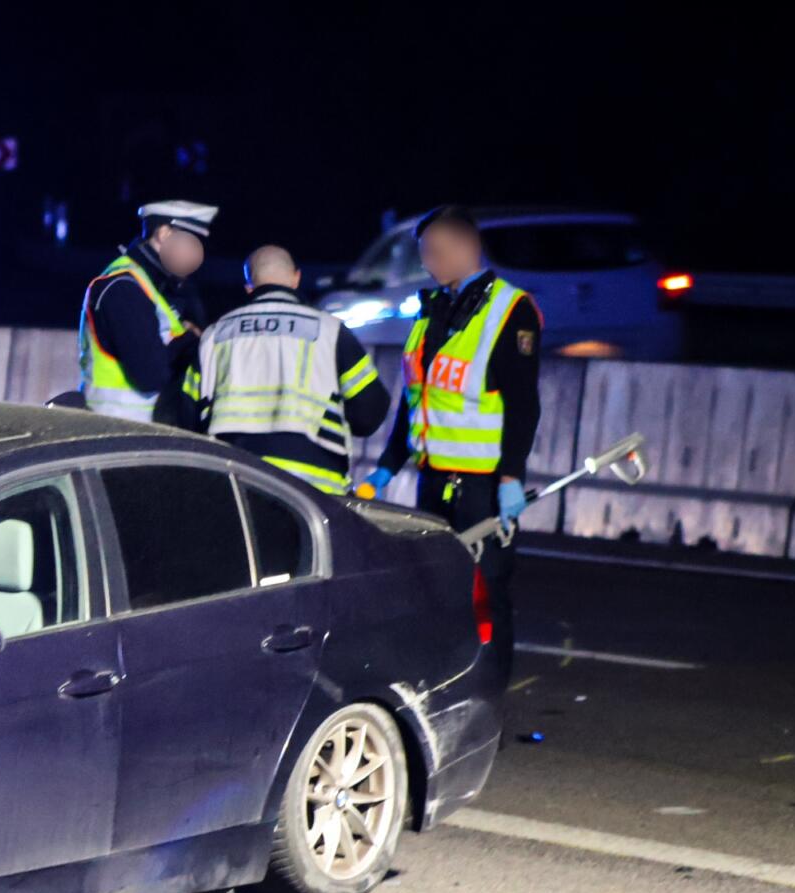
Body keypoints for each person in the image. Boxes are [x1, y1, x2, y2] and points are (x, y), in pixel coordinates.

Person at [365, 205, 541, 668]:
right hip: (433, 482)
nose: (428, 262)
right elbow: (416, 398)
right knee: (437, 594)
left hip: (482, 489)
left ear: (467, 247)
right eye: (424, 253)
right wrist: (386, 466)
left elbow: (523, 404)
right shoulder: (432, 311)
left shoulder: (510, 310)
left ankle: (490, 701)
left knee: (486, 597)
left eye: (436, 252)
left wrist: (511, 477)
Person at [181, 245, 390, 494]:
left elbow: (186, 416)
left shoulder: (214, 335)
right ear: (296, 278)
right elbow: (370, 413)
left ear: (249, 286)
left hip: (234, 482)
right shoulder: (331, 331)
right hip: (313, 487)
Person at [78, 200, 217, 422]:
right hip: (120, 431)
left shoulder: (152, 287)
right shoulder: (124, 287)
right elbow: (151, 375)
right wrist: (187, 340)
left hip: (138, 435)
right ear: (163, 234)